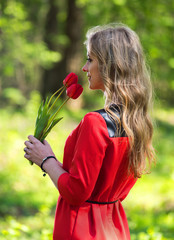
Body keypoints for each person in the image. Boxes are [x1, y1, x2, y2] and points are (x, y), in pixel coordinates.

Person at [24, 23, 155, 240]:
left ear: (110, 66)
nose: (84, 68)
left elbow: (76, 192)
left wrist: (45, 160)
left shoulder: (95, 122)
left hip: (81, 229)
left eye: (90, 59)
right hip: (114, 228)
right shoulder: (136, 122)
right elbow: (114, 189)